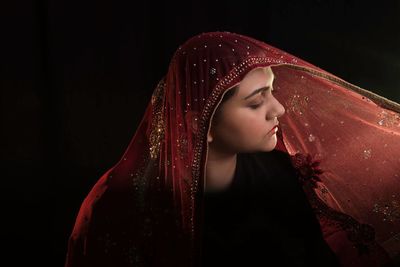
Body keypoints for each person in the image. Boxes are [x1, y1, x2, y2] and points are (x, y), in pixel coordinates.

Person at [65, 32, 400, 267]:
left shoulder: (282, 176)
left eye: (272, 90)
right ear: (201, 123)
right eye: (256, 102)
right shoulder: (124, 202)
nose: (279, 109)